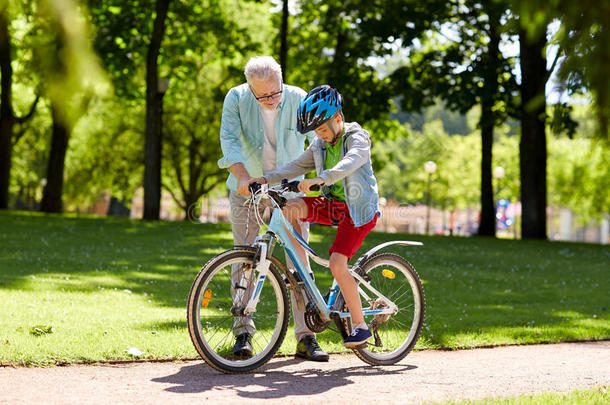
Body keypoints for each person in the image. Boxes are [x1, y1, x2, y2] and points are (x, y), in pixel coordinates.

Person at [217, 56, 329, 361]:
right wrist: (241, 175)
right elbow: (228, 138)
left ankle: (306, 336)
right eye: (263, 95)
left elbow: (317, 143)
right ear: (250, 88)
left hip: (289, 188)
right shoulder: (237, 98)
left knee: (298, 259)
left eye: (275, 93)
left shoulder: (298, 98)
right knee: (244, 258)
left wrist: (318, 180)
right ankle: (243, 330)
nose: (271, 100)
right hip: (248, 188)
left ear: (281, 82)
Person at [251, 85, 380, 348]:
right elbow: (297, 165)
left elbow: (351, 162)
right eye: (316, 131)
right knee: (290, 207)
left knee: (336, 264)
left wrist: (322, 178)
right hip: (334, 204)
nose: (319, 135)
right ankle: (299, 270)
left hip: (358, 213)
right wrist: (266, 178)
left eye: (322, 129)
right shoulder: (320, 145)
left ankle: (360, 327)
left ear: (338, 119)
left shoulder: (357, 138)